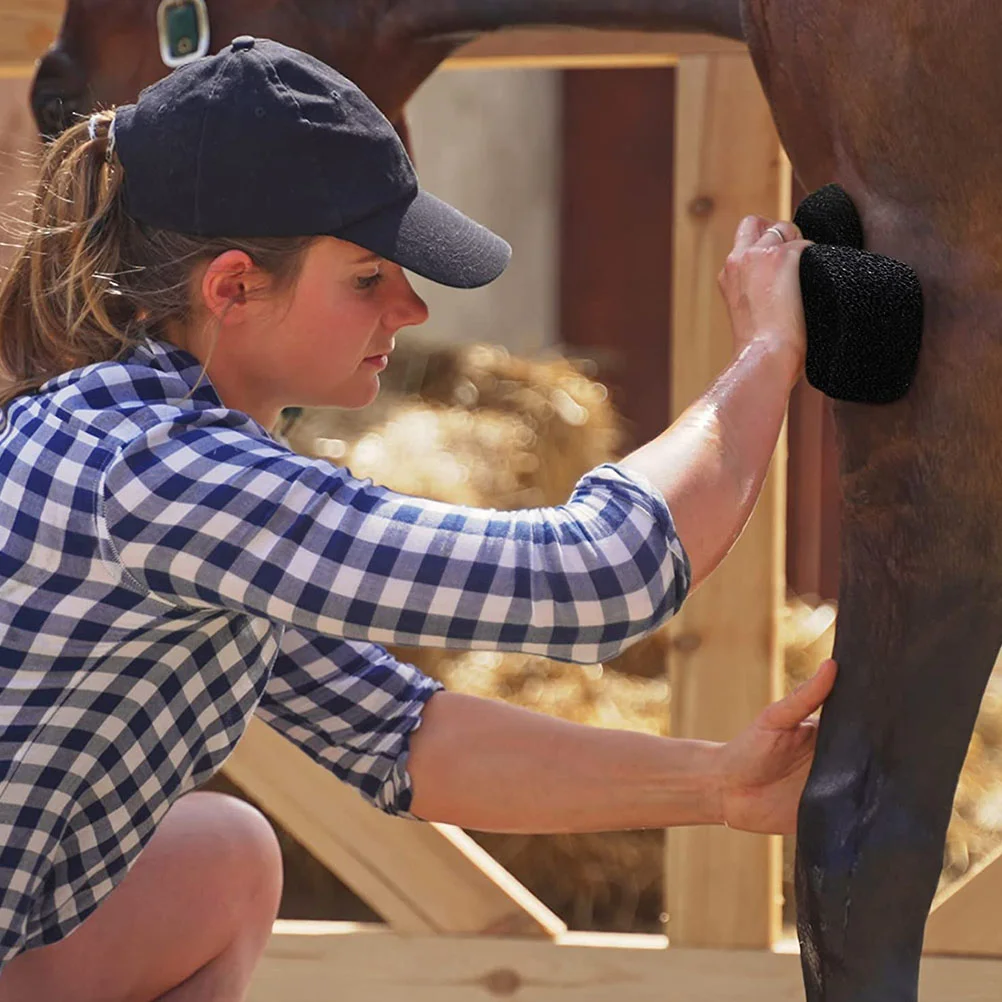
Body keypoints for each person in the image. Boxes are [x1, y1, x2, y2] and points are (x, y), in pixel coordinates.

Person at [0, 36, 835, 1002]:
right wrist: (770, 352)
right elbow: (603, 575)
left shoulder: (170, 461)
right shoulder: (157, 475)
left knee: (218, 857)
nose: (410, 307)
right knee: (215, 854)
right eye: (366, 278)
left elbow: (402, 740)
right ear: (231, 288)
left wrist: (720, 786)